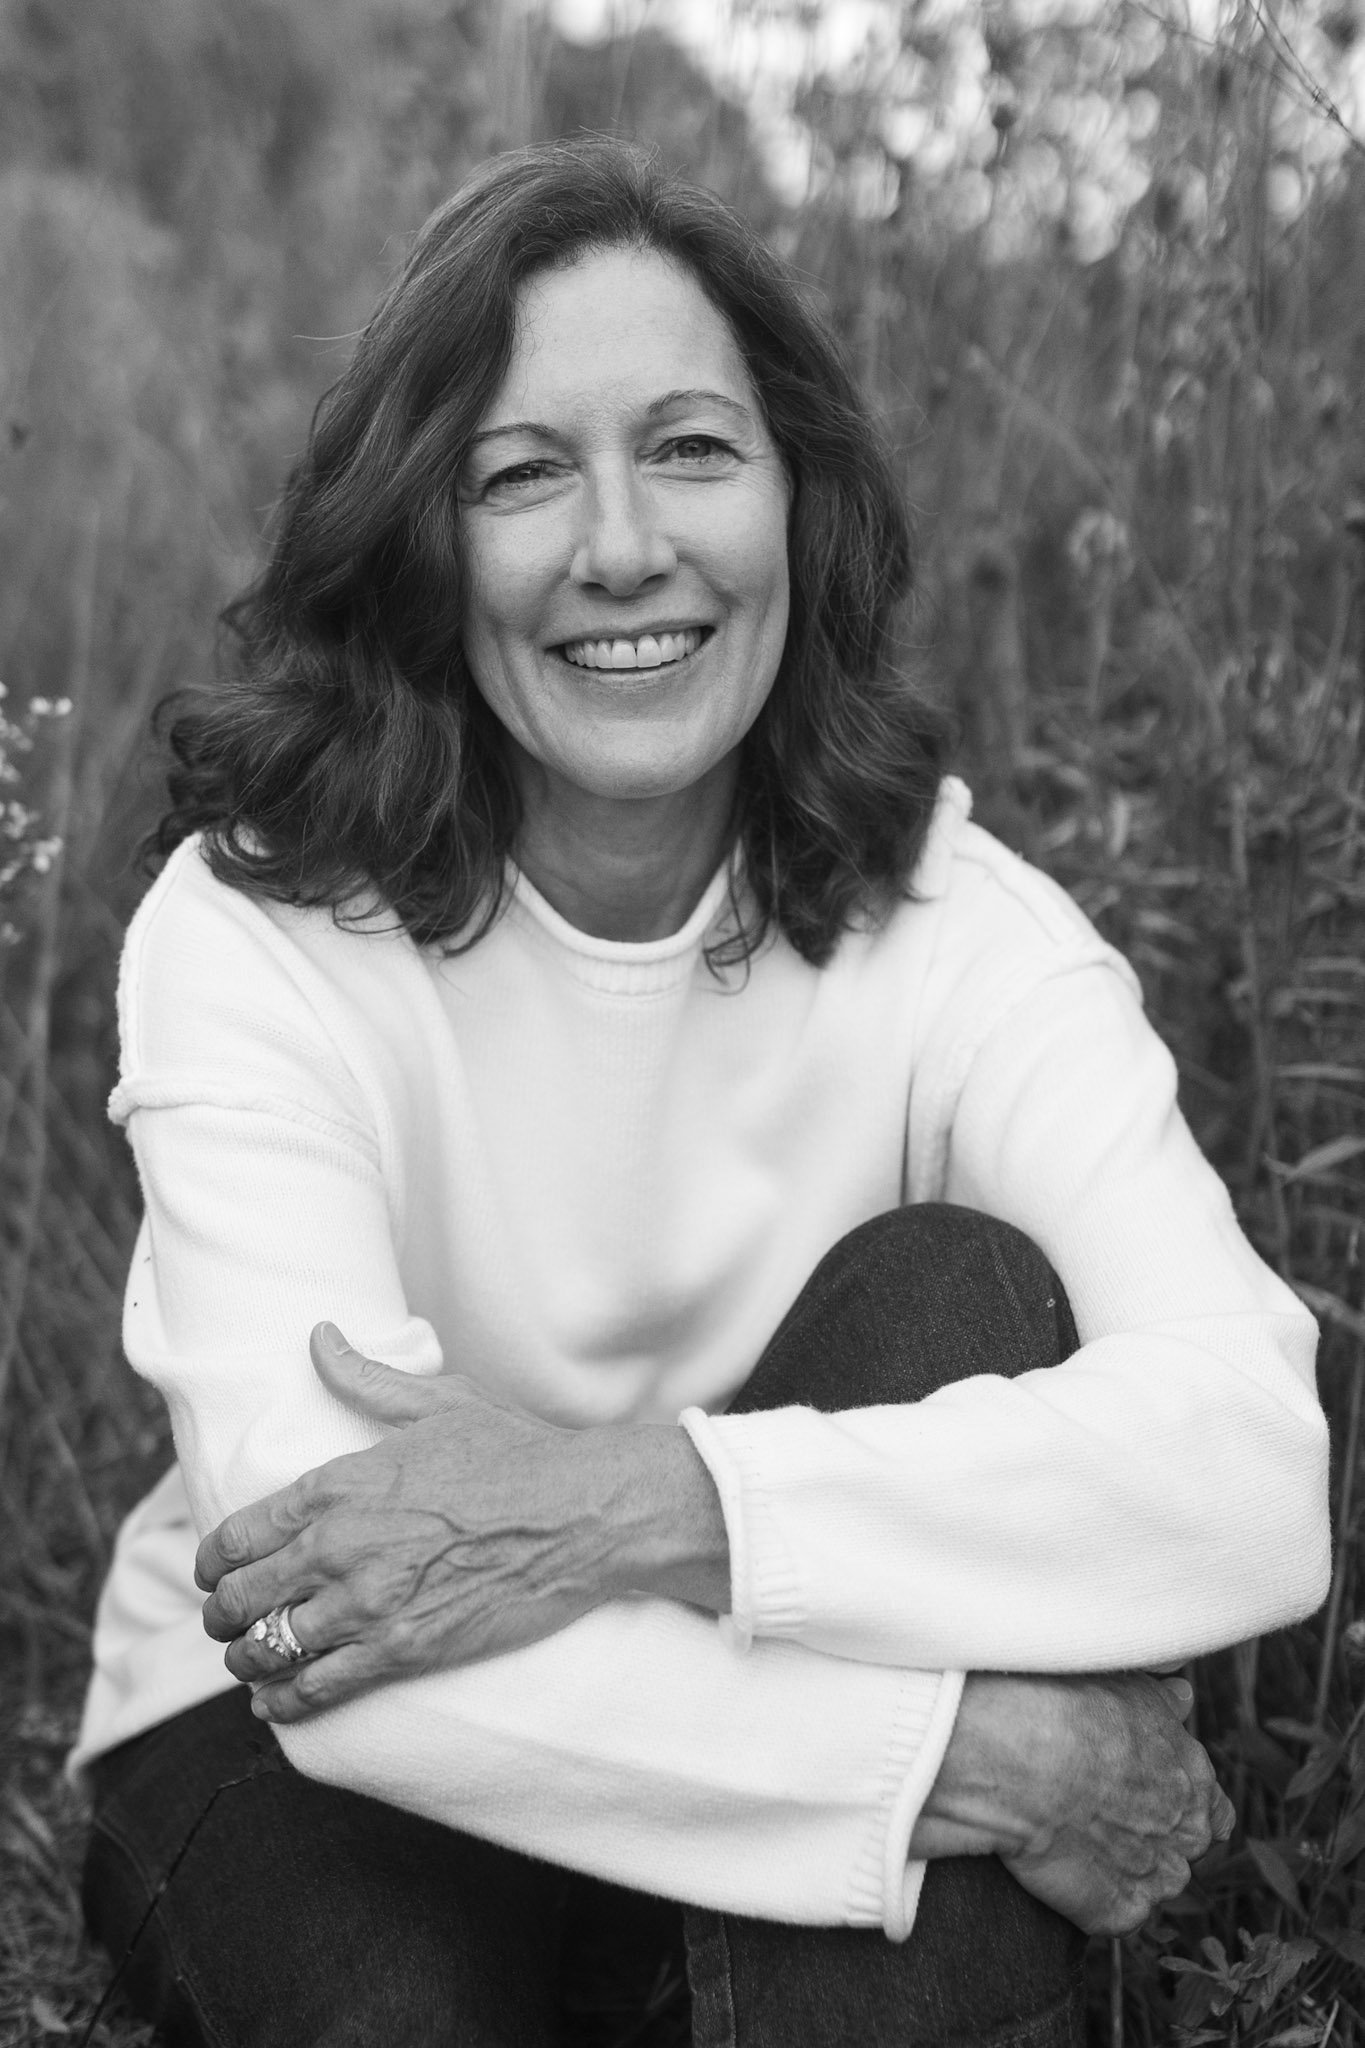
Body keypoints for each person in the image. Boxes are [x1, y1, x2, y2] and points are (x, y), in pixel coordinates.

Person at [73, 139, 1329, 2048]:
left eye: (688, 448)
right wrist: (959, 1756)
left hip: (765, 1664)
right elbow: (331, 1625)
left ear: (796, 506)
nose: (621, 548)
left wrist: (637, 1506)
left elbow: (1250, 1465)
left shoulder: (957, 926)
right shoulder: (257, 935)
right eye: (519, 473)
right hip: (295, 1735)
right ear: (422, 535)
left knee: (956, 1292)